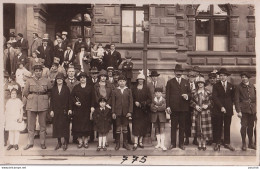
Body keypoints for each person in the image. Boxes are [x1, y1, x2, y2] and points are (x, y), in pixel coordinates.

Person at [23, 64, 52, 150]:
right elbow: (25, 92)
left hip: (43, 104)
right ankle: (30, 143)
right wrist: (31, 98)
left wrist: (45, 98)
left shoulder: (46, 80)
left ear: (42, 71)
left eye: (39, 71)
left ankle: (42, 143)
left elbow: (50, 92)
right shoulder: (29, 80)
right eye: (36, 71)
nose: (38, 72)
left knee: (43, 125)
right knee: (31, 125)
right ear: (34, 72)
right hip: (32, 104)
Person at [166, 64, 190, 150]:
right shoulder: (170, 82)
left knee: (182, 127)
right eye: (177, 71)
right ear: (174, 72)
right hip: (174, 108)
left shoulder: (186, 82)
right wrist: (168, 106)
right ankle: (173, 143)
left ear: (182, 73)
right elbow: (167, 95)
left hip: (183, 108)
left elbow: (190, 94)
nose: (178, 73)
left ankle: (181, 144)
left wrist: (187, 96)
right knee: (173, 126)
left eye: (180, 72)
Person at [212, 68, 235, 151]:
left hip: (228, 110)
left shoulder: (231, 86)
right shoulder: (215, 85)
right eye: (221, 75)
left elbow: (233, 97)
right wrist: (221, 106)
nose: (222, 77)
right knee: (218, 126)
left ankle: (227, 143)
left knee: (227, 126)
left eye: (224, 75)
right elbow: (214, 97)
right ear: (219, 76)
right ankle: (217, 143)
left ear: (227, 76)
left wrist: (229, 106)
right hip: (218, 109)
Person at [71, 72, 95, 149]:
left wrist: (92, 107)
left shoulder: (90, 87)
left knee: (87, 125)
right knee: (78, 125)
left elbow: (93, 98)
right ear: (79, 79)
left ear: (86, 79)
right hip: (78, 109)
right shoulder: (76, 87)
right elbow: (72, 97)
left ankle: (86, 141)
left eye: (84, 78)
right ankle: (80, 141)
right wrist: (75, 102)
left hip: (87, 109)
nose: (82, 79)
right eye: (81, 78)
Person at [234, 72, 256, 151]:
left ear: (248, 78)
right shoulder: (238, 87)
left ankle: (250, 143)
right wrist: (238, 111)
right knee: (243, 126)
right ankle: (244, 143)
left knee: (251, 127)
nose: (244, 78)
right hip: (243, 110)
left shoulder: (252, 86)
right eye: (242, 77)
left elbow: (256, 98)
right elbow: (236, 100)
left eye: (245, 77)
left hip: (253, 110)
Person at [50, 73, 72, 151]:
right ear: (56, 80)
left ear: (63, 80)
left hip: (64, 111)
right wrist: (51, 110)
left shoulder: (66, 89)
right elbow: (51, 101)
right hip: (56, 111)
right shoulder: (53, 89)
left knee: (65, 127)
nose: (59, 80)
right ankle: (59, 142)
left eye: (61, 79)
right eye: (58, 79)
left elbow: (69, 100)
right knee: (57, 127)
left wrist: (70, 109)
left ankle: (65, 142)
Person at [190, 77, 212, 151]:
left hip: (205, 113)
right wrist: (195, 106)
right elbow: (190, 101)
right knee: (198, 128)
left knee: (204, 128)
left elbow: (211, 102)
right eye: (198, 83)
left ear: (204, 84)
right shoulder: (193, 92)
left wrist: (207, 105)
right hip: (196, 112)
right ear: (197, 84)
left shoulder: (208, 92)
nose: (200, 84)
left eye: (201, 83)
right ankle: (199, 143)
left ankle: (204, 143)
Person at [112, 75, 133, 150]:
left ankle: (125, 143)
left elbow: (131, 102)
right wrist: (113, 112)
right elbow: (113, 102)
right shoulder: (115, 91)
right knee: (118, 127)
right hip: (117, 112)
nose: (122, 83)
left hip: (126, 113)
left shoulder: (128, 90)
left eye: (123, 81)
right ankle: (117, 143)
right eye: (120, 81)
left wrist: (130, 111)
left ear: (126, 82)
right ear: (118, 82)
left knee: (125, 127)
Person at [131, 73, 152, 150]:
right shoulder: (134, 88)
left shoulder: (146, 88)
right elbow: (131, 98)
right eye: (139, 79)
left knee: (143, 126)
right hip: (136, 110)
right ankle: (135, 142)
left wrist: (143, 104)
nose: (140, 81)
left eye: (142, 79)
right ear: (137, 80)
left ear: (143, 80)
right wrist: (134, 102)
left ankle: (140, 142)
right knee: (136, 126)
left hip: (144, 110)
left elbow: (150, 99)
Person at [93, 69, 113, 145]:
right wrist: (100, 103)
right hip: (99, 105)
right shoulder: (96, 85)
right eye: (102, 76)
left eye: (105, 76)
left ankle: (106, 140)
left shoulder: (109, 85)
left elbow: (111, 95)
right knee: (99, 123)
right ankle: (100, 141)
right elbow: (95, 95)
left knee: (106, 123)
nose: (103, 78)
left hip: (107, 106)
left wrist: (108, 104)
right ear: (99, 77)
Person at [4, 72, 22, 146]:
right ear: (10, 94)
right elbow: (6, 110)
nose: (13, 95)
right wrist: (6, 118)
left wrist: (21, 117)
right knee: (11, 130)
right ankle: (11, 143)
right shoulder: (8, 101)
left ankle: (16, 143)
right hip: (10, 117)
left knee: (16, 130)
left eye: (15, 94)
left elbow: (21, 110)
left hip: (16, 116)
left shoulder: (18, 101)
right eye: (12, 94)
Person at [184, 71, 198, 146]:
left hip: (195, 107)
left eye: (193, 77)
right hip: (186, 106)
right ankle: (186, 138)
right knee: (187, 123)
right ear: (188, 77)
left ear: (195, 78)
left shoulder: (197, 85)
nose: (191, 78)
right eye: (190, 77)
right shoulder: (185, 84)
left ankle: (195, 139)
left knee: (196, 123)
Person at [205, 71, 217, 145]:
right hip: (209, 107)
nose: (212, 80)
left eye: (213, 78)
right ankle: (210, 138)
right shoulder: (206, 88)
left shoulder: (219, 86)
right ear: (209, 79)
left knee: (218, 123)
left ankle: (219, 138)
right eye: (211, 78)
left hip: (217, 107)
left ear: (216, 79)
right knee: (209, 123)